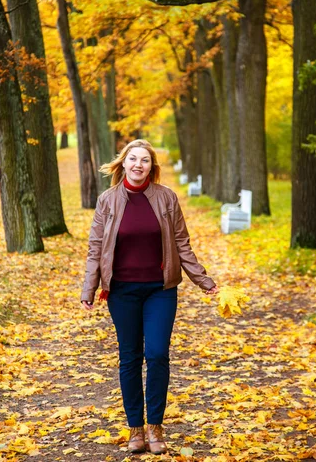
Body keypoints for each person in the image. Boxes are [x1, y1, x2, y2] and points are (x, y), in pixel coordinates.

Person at [81, 139, 218, 455]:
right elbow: (95, 248)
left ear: (151, 167)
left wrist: (204, 281)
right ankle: (135, 430)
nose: (138, 164)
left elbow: (182, 244)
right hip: (122, 292)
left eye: (144, 160)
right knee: (130, 357)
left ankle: (156, 427)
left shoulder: (166, 198)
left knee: (156, 354)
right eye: (133, 159)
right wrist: (89, 288)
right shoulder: (108, 200)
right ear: (123, 163)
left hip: (161, 289)